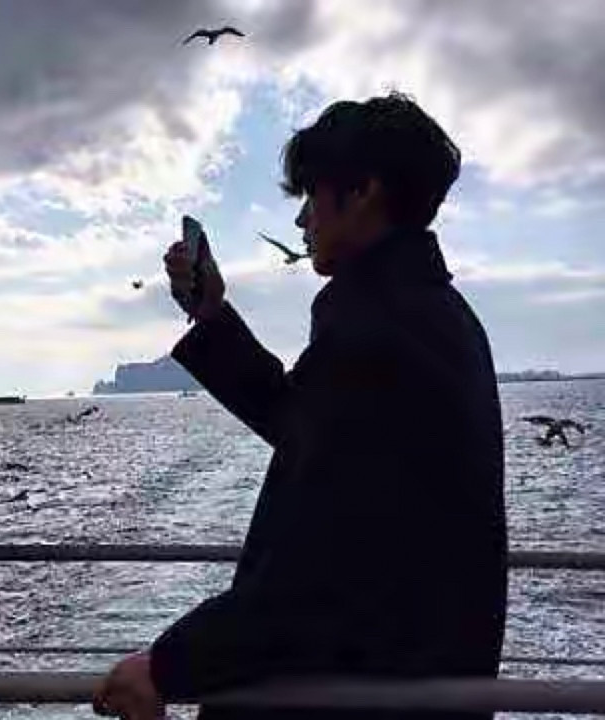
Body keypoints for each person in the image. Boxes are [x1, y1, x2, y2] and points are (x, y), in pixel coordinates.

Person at [94, 92, 508, 720]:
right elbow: (310, 430)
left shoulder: (378, 330)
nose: (301, 220)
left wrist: (165, 666)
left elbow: (323, 572)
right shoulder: (433, 317)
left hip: (361, 695)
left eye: (312, 195)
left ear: (362, 191)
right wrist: (211, 315)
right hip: (418, 684)